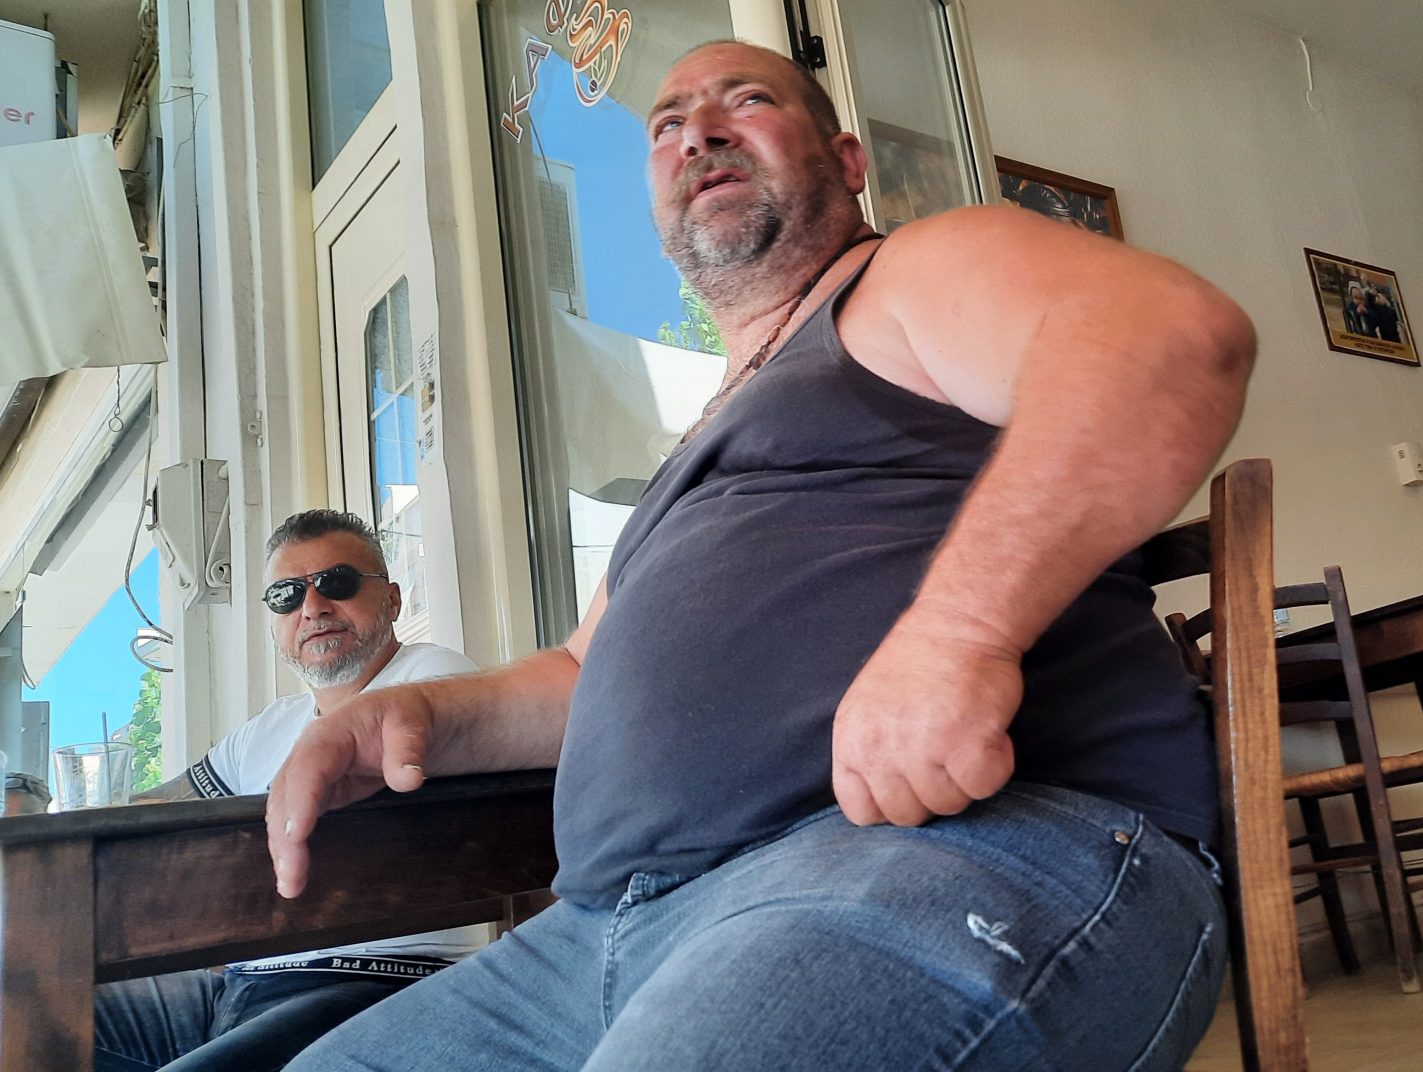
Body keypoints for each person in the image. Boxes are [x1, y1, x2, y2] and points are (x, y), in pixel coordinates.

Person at [273, 39, 1256, 1072]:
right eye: (666, 124)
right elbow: (576, 674)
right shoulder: (699, 441)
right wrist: (416, 712)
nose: (698, 133)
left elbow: (1167, 339)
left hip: (948, 851)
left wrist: (958, 636)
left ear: (846, 160)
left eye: (745, 101)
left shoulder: (904, 277)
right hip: (601, 936)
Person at [95, 510, 481, 1072]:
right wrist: (68, 810)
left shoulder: (433, 678)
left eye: (337, 582)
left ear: (394, 600)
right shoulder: (271, 726)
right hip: (237, 984)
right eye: (287, 595)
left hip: (374, 981)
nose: (313, 606)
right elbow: (161, 808)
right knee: (22, 1009)